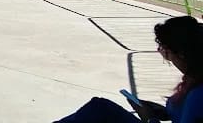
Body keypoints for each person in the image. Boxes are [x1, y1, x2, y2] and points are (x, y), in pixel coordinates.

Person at [53, 16, 203, 123]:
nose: (164, 55)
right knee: (100, 107)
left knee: (99, 110)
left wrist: (149, 118)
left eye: (166, 51)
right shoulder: (194, 80)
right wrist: (165, 112)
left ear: (181, 54)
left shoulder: (197, 95)